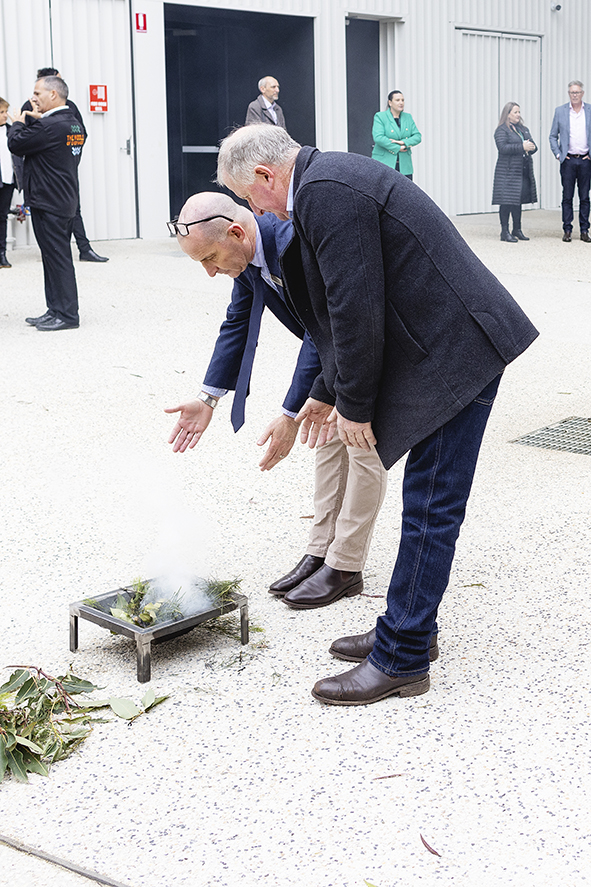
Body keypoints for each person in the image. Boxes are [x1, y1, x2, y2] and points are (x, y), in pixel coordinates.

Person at [217, 124, 538, 706]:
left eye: (248, 196)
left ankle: (403, 657)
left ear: (266, 176)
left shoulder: (324, 193)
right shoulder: (327, 180)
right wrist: (324, 390)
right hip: (443, 348)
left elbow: (355, 307)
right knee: (428, 501)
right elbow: (337, 319)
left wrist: (355, 406)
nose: (252, 208)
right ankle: (409, 626)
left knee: (429, 504)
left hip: (457, 353)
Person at [165, 192, 391, 612]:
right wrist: (208, 398)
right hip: (336, 350)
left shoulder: (292, 244)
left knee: (362, 448)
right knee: (327, 441)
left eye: (209, 259)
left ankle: (346, 567)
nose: (211, 273)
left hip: (371, 345)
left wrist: (290, 411)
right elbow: (236, 322)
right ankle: (322, 551)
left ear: (236, 232)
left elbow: (320, 329)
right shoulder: (248, 256)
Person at [8, 75, 86, 331]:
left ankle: (66, 315)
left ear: (53, 94)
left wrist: (19, 122)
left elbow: (16, 144)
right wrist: (40, 120)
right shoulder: (72, 123)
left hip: (50, 201)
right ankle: (55, 309)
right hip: (61, 199)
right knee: (54, 258)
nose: (34, 99)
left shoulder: (51, 126)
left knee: (58, 258)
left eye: (37, 94)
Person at [21, 67, 108, 262]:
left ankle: (84, 248)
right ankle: (56, 251)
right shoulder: (29, 107)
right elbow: (24, 141)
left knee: (74, 208)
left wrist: (70, 157)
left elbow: (80, 134)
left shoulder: (70, 106)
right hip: (43, 175)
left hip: (66, 168)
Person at [549, 81, 591, 243]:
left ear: (582, 93)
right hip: (568, 161)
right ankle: (567, 229)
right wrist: (559, 154)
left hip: (585, 160)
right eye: (572, 92)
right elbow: (553, 136)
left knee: (585, 197)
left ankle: (584, 230)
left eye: (577, 92)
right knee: (567, 196)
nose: (574, 95)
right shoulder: (560, 111)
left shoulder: (589, 110)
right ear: (568, 93)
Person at [492, 102, 537, 242]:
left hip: (522, 171)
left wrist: (531, 147)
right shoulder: (501, 130)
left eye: (519, 112)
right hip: (507, 172)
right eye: (515, 112)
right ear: (508, 114)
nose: (518, 115)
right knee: (506, 202)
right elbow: (503, 148)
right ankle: (504, 232)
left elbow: (533, 147)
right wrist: (522, 146)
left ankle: (517, 229)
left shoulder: (523, 129)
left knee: (518, 202)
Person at [371, 90, 421, 180]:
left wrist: (403, 142)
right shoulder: (380, 116)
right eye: (397, 100)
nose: (401, 103)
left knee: (405, 192)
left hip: (404, 165)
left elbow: (417, 136)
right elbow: (378, 137)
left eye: (402, 100)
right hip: (385, 162)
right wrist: (397, 148)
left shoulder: (408, 117)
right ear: (390, 102)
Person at [0, 97, 20, 269]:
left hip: (7, 181)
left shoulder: (10, 131)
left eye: (5, 111)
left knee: (2, 217)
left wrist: (17, 124)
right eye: (1, 112)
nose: (5, 115)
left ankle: (2, 255)